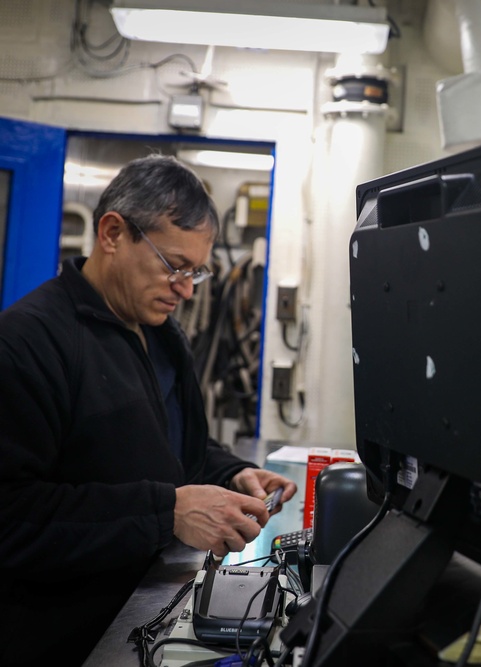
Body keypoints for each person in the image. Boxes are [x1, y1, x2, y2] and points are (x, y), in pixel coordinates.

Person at [0, 154, 298, 664]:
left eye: (196, 272)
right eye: (174, 266)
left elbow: (177, 450)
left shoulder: (160, 336)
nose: (185, 289)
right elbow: (11, 518)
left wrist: (234, 473)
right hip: (63, 642)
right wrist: (166, 513)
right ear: (113, 233)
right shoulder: (28, 343)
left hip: (146, 619)